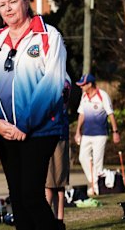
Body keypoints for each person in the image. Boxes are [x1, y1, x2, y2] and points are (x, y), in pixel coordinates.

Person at [0, 0, 67, 230]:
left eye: (12, 2)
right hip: (5, 132)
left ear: (26, 2)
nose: (7, 9)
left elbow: (52, 86)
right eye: (2, 5)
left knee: (31, 195)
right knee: (17, 198)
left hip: (40, 130)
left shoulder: (49, 36)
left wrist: (24, 125)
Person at [74, 73, 120, 195]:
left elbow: (111, 114)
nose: (81, 87)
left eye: (83, 85)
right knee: (82, 157)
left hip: (100, 134)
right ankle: (95, 183)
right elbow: (82, 114)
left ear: (90, 84)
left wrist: (115, 132)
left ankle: (97, 186)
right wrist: (78, 131)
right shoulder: (84, 96)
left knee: (97, 162)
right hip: (86, 134)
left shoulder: (102, 95)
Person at [45, 76, 71, 230]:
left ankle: (52, 220)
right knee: (54, 183)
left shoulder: (60, 79)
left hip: (54, 133)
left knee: (52, 184)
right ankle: (57, 220)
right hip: (57, 132)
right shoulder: (62, 77)